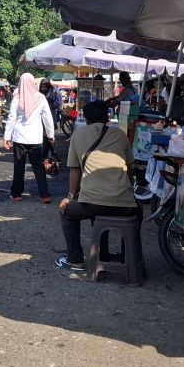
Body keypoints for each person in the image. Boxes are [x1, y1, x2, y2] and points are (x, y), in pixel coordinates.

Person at [56, 100, 142, 272]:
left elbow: (75, 171)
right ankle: (128, 258)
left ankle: (76, 260)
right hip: (124, 205)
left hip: (91, 203)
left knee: (67, 213)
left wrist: (70, 198)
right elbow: (130, 170)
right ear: (107, 118)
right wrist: (127, 193)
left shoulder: (78, 135)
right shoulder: (120, 135)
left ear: (86, 119)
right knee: (136, 212)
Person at [4, 72, 55, 203]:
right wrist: (50, 135)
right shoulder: (41, 98)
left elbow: (11, 119)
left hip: (19, 138)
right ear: (33, 83)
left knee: (19, 166)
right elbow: (47, 118)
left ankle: (16, 194)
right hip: (36, 138)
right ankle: (45, 195)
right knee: (38, 167)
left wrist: (7, 137)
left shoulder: (17, 99)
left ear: (20, 83)